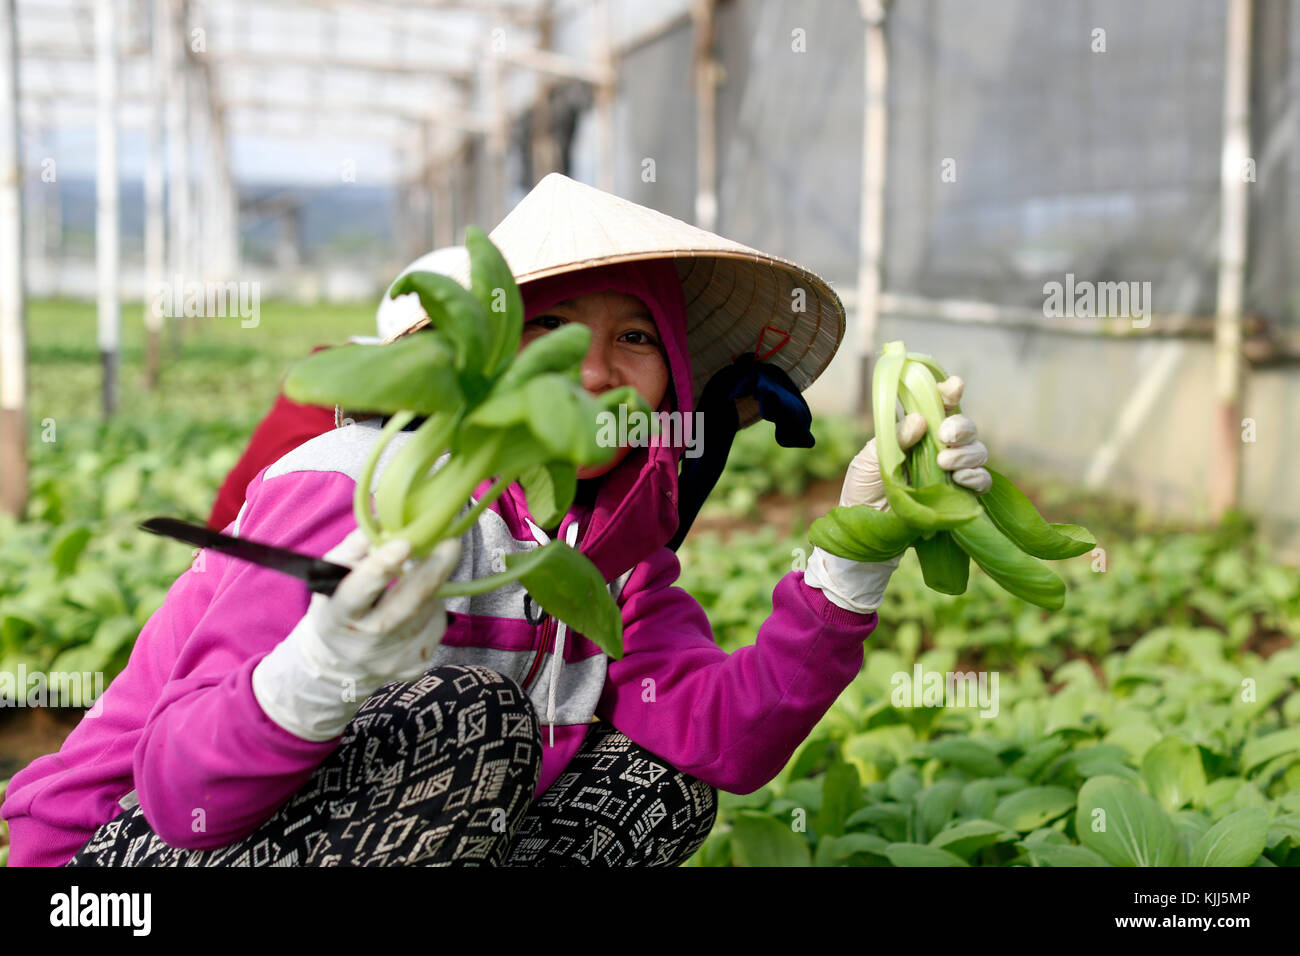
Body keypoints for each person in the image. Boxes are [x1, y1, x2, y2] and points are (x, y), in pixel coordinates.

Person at [0, 173, 990, 867]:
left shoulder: (611, 559)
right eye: (551, 330)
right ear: (482, 352)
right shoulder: (356, 489)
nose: (594, 372)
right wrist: (325, 660)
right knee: (472, 723)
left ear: (674, 379)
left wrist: (854, 553)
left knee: (657, 784)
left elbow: (722, 741)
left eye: (635, 337)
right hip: (116, 865)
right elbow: (179, 792)